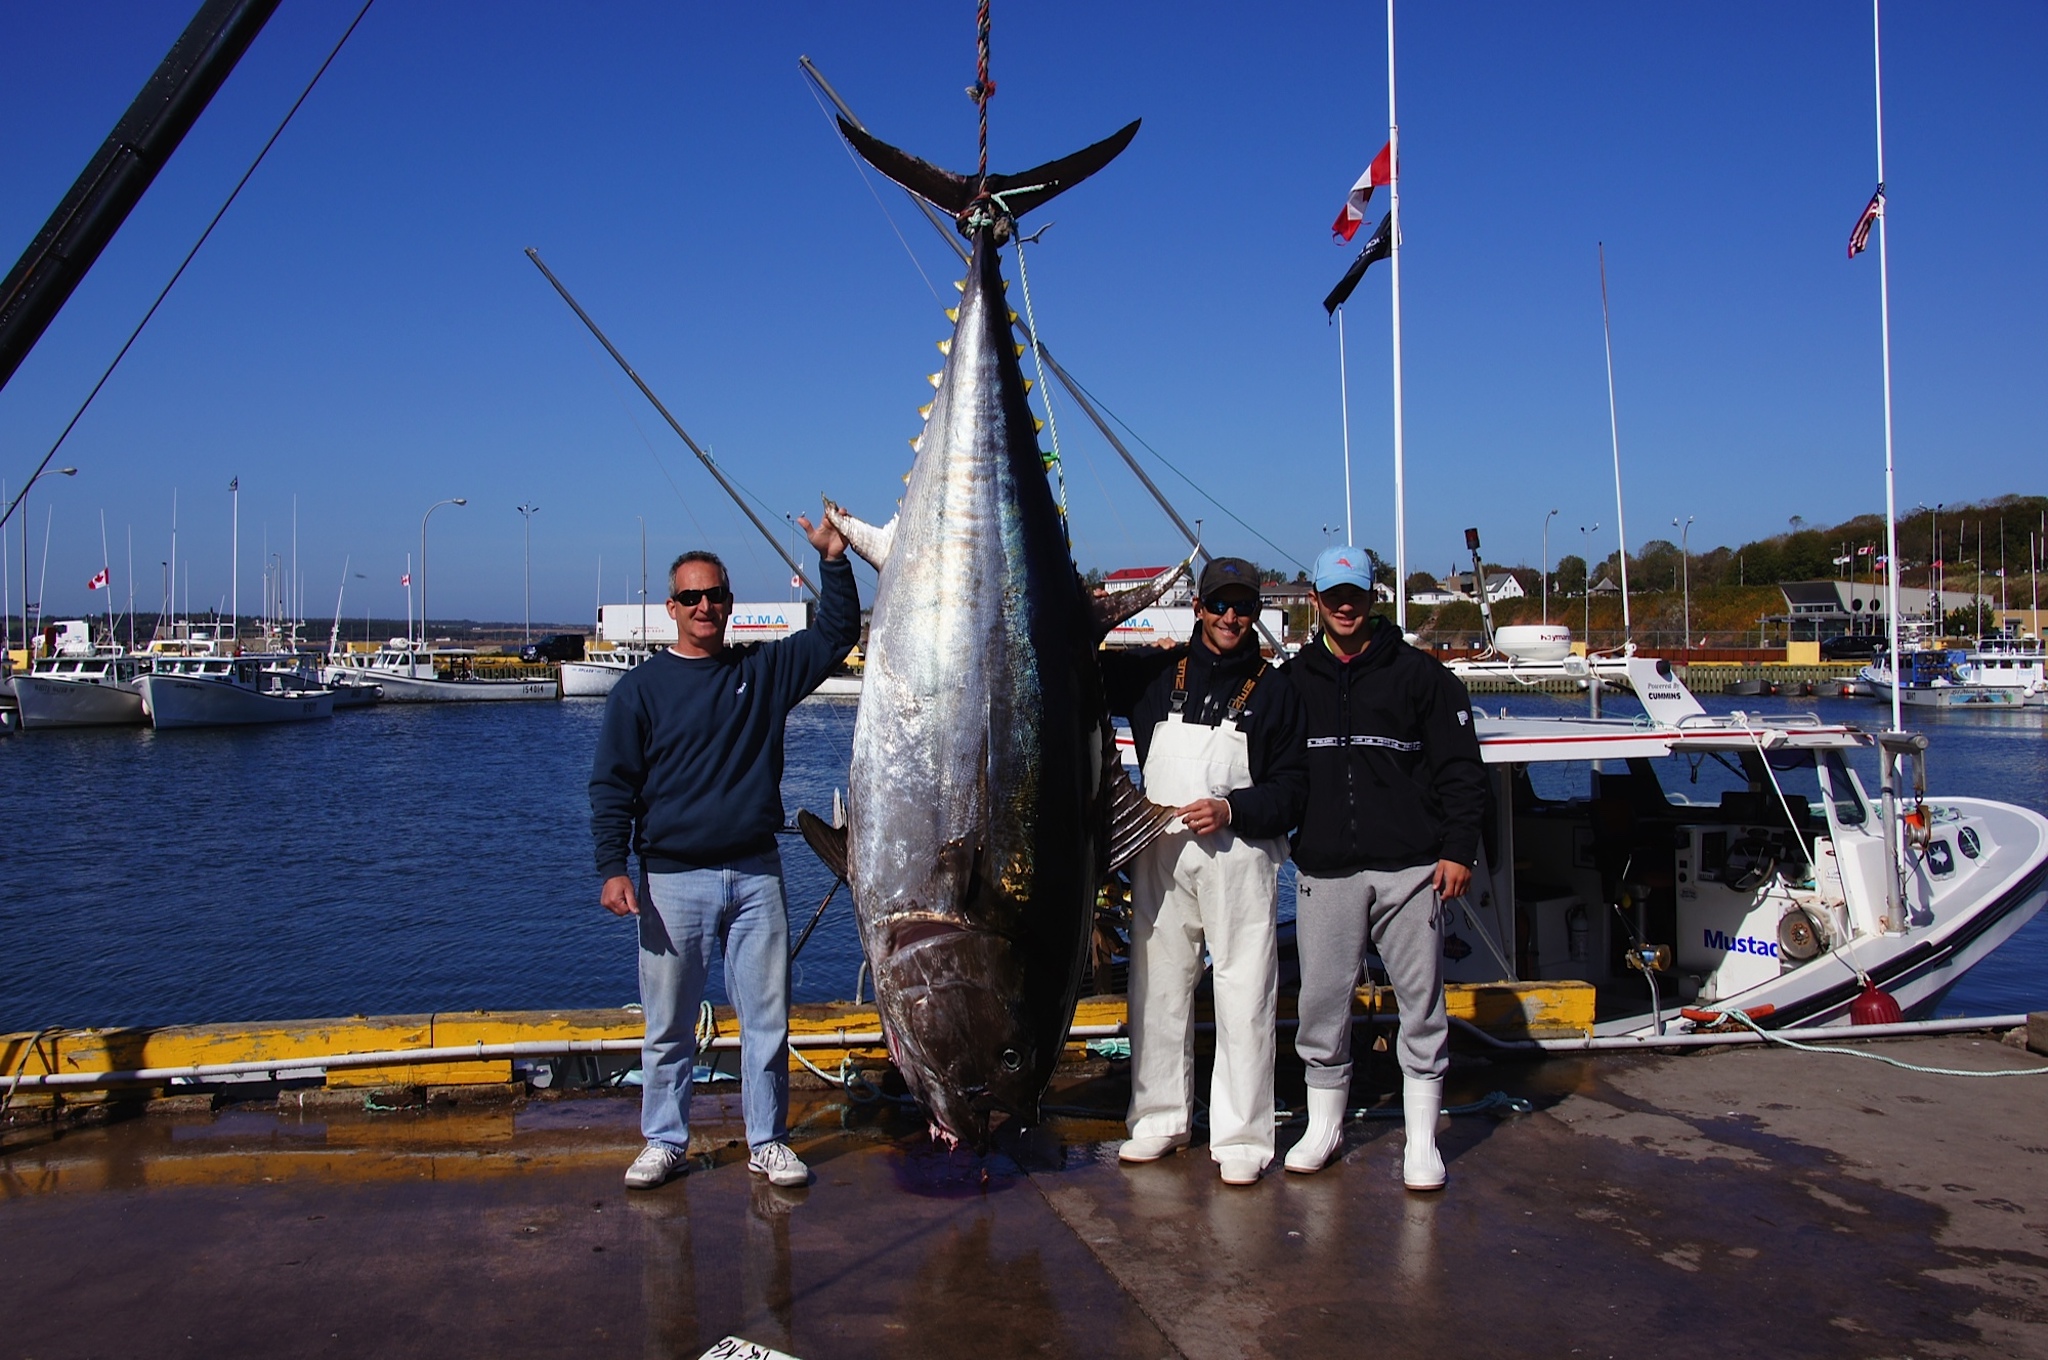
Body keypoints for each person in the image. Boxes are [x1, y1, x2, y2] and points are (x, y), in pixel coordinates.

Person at [590, 514, 857, 1191]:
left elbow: (836, 635)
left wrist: (832, 560)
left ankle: (767, 1139)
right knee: (668, 1028)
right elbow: (612, 786)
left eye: (716, 596)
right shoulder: (639, 691)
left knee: (767, 1024)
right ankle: (665, 1139)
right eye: (691, 598)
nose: (704, 607)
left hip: (756, 877)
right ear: (672, 608)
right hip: (669, 883)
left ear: (730, 604)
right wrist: (612, 868)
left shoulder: (762, 672)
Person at [1282, 545, 1485, 1188]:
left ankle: (1422, 1139)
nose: (1345, 605)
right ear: (1314, 599)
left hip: (1411, 869)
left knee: (1421, 1003)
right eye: (1333, 594)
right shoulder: (1291, 680)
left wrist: (1458, 849)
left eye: (1356, 594)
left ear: (1374, 599)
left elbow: (1460, 771)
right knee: (1320, 1003)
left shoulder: (1422, 677)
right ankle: (1325, 1126)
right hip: (1325, 870)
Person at [1102, 556, 1308, 1186]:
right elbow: (1072, 664)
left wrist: (1231, 807)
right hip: (1159, 858)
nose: (1230, 617)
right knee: (1156, 990)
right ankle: (1158, 1118)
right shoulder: (1153, 675)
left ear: (1257, 614)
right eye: (1219, 604)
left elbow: (1295, 789)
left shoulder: (1276, 690)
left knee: (1244, 994)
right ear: (1197, 608)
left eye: (1243, 606)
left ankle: (1243, 1135)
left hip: (1239, 858)